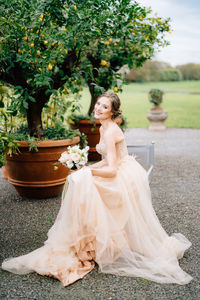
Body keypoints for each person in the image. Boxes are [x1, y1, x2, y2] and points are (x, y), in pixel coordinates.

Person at [1, 92, 192, 286]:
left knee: (85, 185)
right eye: (98, 104)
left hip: (122, 176)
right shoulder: (104, 126)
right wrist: (87, 169)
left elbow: (111, 170)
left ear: (112, 112)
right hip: (116, 168)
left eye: (105, 107)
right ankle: (91, 241)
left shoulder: (110, 132)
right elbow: (108, 160)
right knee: (81, 182)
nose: (98, 108)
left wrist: (87, 174)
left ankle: (93, 242)